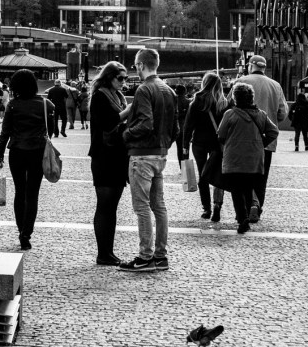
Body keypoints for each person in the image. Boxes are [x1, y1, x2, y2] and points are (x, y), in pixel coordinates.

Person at [118, 48, 180, 273]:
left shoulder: (144, 89)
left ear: (141, 65)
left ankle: (145, 257)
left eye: (136, 65)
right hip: (160, 155)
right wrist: (164, 146)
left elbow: (145, 123)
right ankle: (160, 256)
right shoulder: (168, 90)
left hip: (142, 154)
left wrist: (125, 135)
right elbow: (176, 128)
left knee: (142, 207)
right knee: (159, 207)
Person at [0, 70, 50, 251]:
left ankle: (20, 230)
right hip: (37, 152)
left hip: (17, 151)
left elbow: (5, 132)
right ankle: (27, 233)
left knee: (20, 192)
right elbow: (52, 131)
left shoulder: (12, 105)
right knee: (32, 194)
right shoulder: (45, 104)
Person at [217, 82, 279, 235]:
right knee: (248, 188)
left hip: (234, 158)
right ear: (252, 98)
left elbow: (221, 135)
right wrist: (261, 144)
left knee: (236, 190)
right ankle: (248, 213)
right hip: (254, 159)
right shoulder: (261, 115)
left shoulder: (229, 114)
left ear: (235, 98)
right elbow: (273, 131)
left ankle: (242, 218)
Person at [88, 61, 129, 266]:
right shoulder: (99, 96)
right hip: (103, 155)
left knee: (112, 207)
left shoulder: (118, 96)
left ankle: (109, 252)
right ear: (109, 77)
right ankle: (102, 253)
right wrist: (130, 110)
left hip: (118, 155)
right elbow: (109, 122)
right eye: (120, 78)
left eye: (125, 78)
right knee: (104, 205)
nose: (123, 82)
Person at [236, 55, 286, 223]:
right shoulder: (276, 85)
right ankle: (257, 207)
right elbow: (282, 113)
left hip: (242, 140)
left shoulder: (242, 81)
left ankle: (245, 207)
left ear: (251, 66)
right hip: (266, 142)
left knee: (242, 176)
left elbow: (229, 106)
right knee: (261, 177)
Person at [183, 72, 228, 221]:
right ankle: (217, 204)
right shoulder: (224, 103)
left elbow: (188, 126)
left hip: (199, 143)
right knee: (218, 175)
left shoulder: (197, 101)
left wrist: (184, 146)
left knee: (203, 175)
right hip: (217, 144)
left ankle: (206, 208)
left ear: (204, 83)